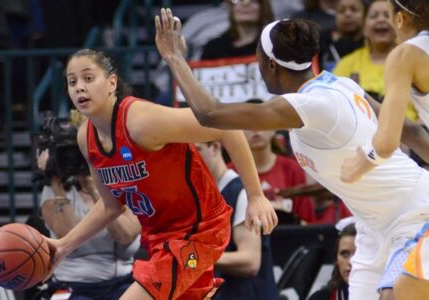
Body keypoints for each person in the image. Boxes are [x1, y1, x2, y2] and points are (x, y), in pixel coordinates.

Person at [155, 9, 429, 299]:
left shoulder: (311, 104)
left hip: (413, 212)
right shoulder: (342, 85)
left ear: (270, 65)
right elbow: (411, 131)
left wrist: (174, 57)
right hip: (373, 226)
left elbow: (211, 114)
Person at [44, 46, 277, 300]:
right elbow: (111, 206)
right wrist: (63, 245)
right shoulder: (85, 138)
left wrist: (255, 196)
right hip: (159, 239)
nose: (79, 87)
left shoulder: (140, 121)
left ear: (112, 83)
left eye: (88, 78)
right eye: (72, 81)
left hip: (199, 231)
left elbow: (227, 128)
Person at [340, 0, 429, 298]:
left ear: (401, 19)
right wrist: (361, 97)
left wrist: (363, 162)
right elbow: (418, 136)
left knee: (403, 290)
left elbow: (387, 142)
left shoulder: (406, 54)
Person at [35, 112, 141, 300]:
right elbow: (69, 238)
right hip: (72, 286)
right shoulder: (55, 189)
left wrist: (94, 187)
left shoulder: (124, 183)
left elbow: (126, 236)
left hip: (121, 283)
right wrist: (55, 182)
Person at [196, 141, 278, 299]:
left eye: (197, 150)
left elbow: (250, 260)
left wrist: (195, 258)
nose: (192, 158)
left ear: (215, 147)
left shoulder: (241, 193)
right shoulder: (201, 194)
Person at [333, 0, 396, 101]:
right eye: (373, 16)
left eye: (387, 15)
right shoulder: (346, 63)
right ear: (364, 28)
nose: (381, 19)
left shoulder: (412, 61)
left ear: (399, 23)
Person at [200, 0, 274, 60]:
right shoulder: (213, 48)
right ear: (232, 8)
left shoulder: (273, 45)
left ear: (264, 8)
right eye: (239, 0)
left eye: (253, 1)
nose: (245, 4)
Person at [308, 223, 356, 300]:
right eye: (345, 254)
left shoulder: (381, 295)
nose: (351, 261)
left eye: (358, 254)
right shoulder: (321, 298)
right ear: (336, 259)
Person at [318, 0, 366, 71]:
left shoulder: (372, 43)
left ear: (365, 15)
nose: (347, 14)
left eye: (354, 10)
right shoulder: (323, 41)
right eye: (341, 10)